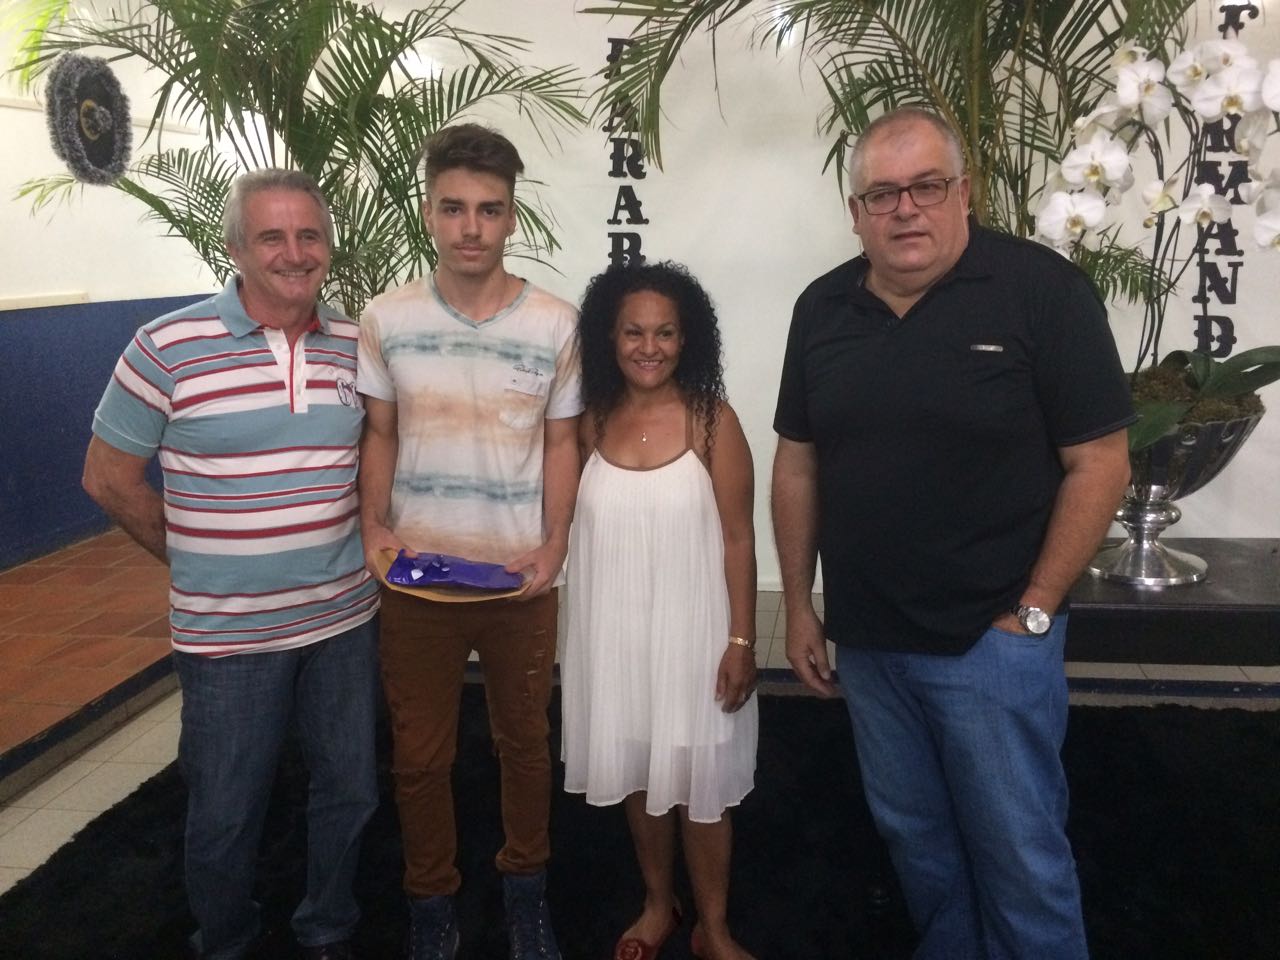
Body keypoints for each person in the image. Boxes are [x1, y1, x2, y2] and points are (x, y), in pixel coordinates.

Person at [771, 106, 1135, 959]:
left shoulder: (1042, 293)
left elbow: (1101, 463)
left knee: (1022, 861)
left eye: (927, 187)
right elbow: (798, 465)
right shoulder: (821, 308)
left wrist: (1034, 611)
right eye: (883, 194)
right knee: (921, 849)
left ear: (964, 193)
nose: (906, 209)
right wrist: (800, 606)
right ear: (856, 212)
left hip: (992, 645)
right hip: (870, 647)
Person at [81, 169, 381, 960]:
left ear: (328, 245)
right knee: (225, 811)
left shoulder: (356, 345)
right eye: (271, 236)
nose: (294, 253)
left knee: (349, 790)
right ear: (235, 248)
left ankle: (328, 927)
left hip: (344, 623)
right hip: (227, 638)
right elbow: (108, 478)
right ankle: (227, 939)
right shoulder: (166, 346)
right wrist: (191, 557)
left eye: (309, 235)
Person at [356, 123, 580, 960]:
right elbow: (380, 432)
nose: (471, 228)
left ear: (512, 216)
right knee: (419, 757)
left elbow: (563, 443)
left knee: (526, 746)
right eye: (453, 208)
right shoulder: (387, 318)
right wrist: (374, 528)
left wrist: (554, 544)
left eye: (489, 210)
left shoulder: (554, 324)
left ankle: (526, 891)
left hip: (520, 578)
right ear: (429, 212)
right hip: (416, 579)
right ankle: (431, 902)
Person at [562, 261, 759, 960]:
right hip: (615, 634)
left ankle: (714, 928)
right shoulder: (590, 421)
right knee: (640, 774)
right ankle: (657, 904)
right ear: (609, 338)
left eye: (665, 333)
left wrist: (742, 640)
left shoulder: (712, 421)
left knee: (701, 784)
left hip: (695, 637)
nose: (649, 347)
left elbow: (739, 539)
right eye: (634, 332)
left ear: (687, 338)